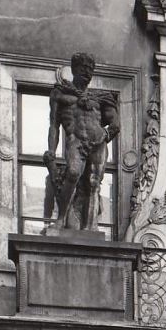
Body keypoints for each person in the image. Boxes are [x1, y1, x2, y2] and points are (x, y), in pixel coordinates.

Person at [43, 52, 119, 232]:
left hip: (98, 143)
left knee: (94, 183)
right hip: (75, 140)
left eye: (90, 69)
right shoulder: (60, 93)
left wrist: (105, 136)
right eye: (83, 68)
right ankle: (61, 219)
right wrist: (51, 149)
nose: (87, 72)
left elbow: (115, 123)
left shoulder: (100, 97)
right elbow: (54, 124)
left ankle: (90, 227)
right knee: (73, 173)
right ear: (74, 69)